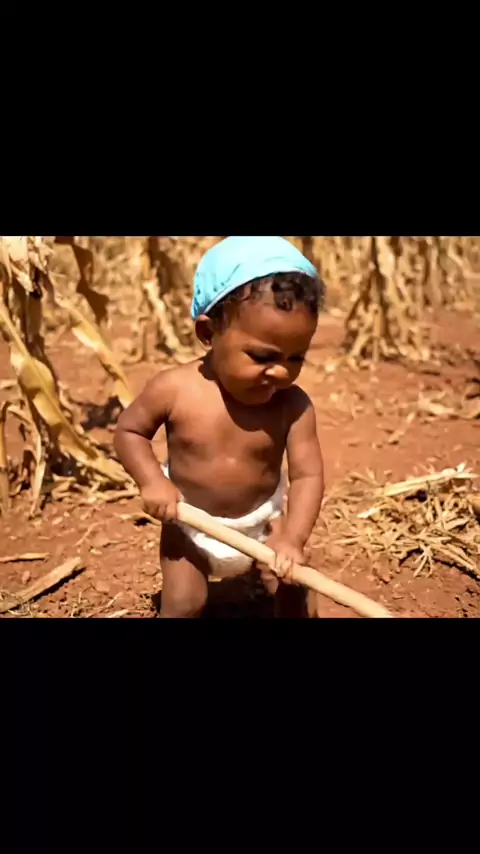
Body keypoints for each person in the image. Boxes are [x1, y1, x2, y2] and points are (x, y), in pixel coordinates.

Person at [114, 236, 325, 618]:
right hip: (190, 523)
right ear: (208, 334)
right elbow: (130, 432)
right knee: (183, 604)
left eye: (297, 358)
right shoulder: (174, 389)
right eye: (262, 356)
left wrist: (293, 537)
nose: (281, 372)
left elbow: (307, 475)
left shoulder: (293, 406)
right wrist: (152, 481)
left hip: (264, 523)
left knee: (293, 593)